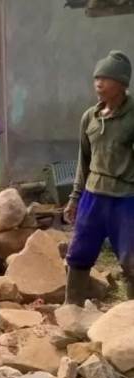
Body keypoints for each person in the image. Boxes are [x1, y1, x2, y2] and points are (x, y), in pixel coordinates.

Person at [65, 50, 134, 304]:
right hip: (93, 197)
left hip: (125, 200)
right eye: (96, 78)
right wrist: (75, 198)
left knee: (131, 261)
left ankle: (128, 321)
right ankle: (71, 310)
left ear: (122, 84)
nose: (98, 83)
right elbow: (83, 160)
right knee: (79, 254)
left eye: (105, 78)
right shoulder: (89, 117)